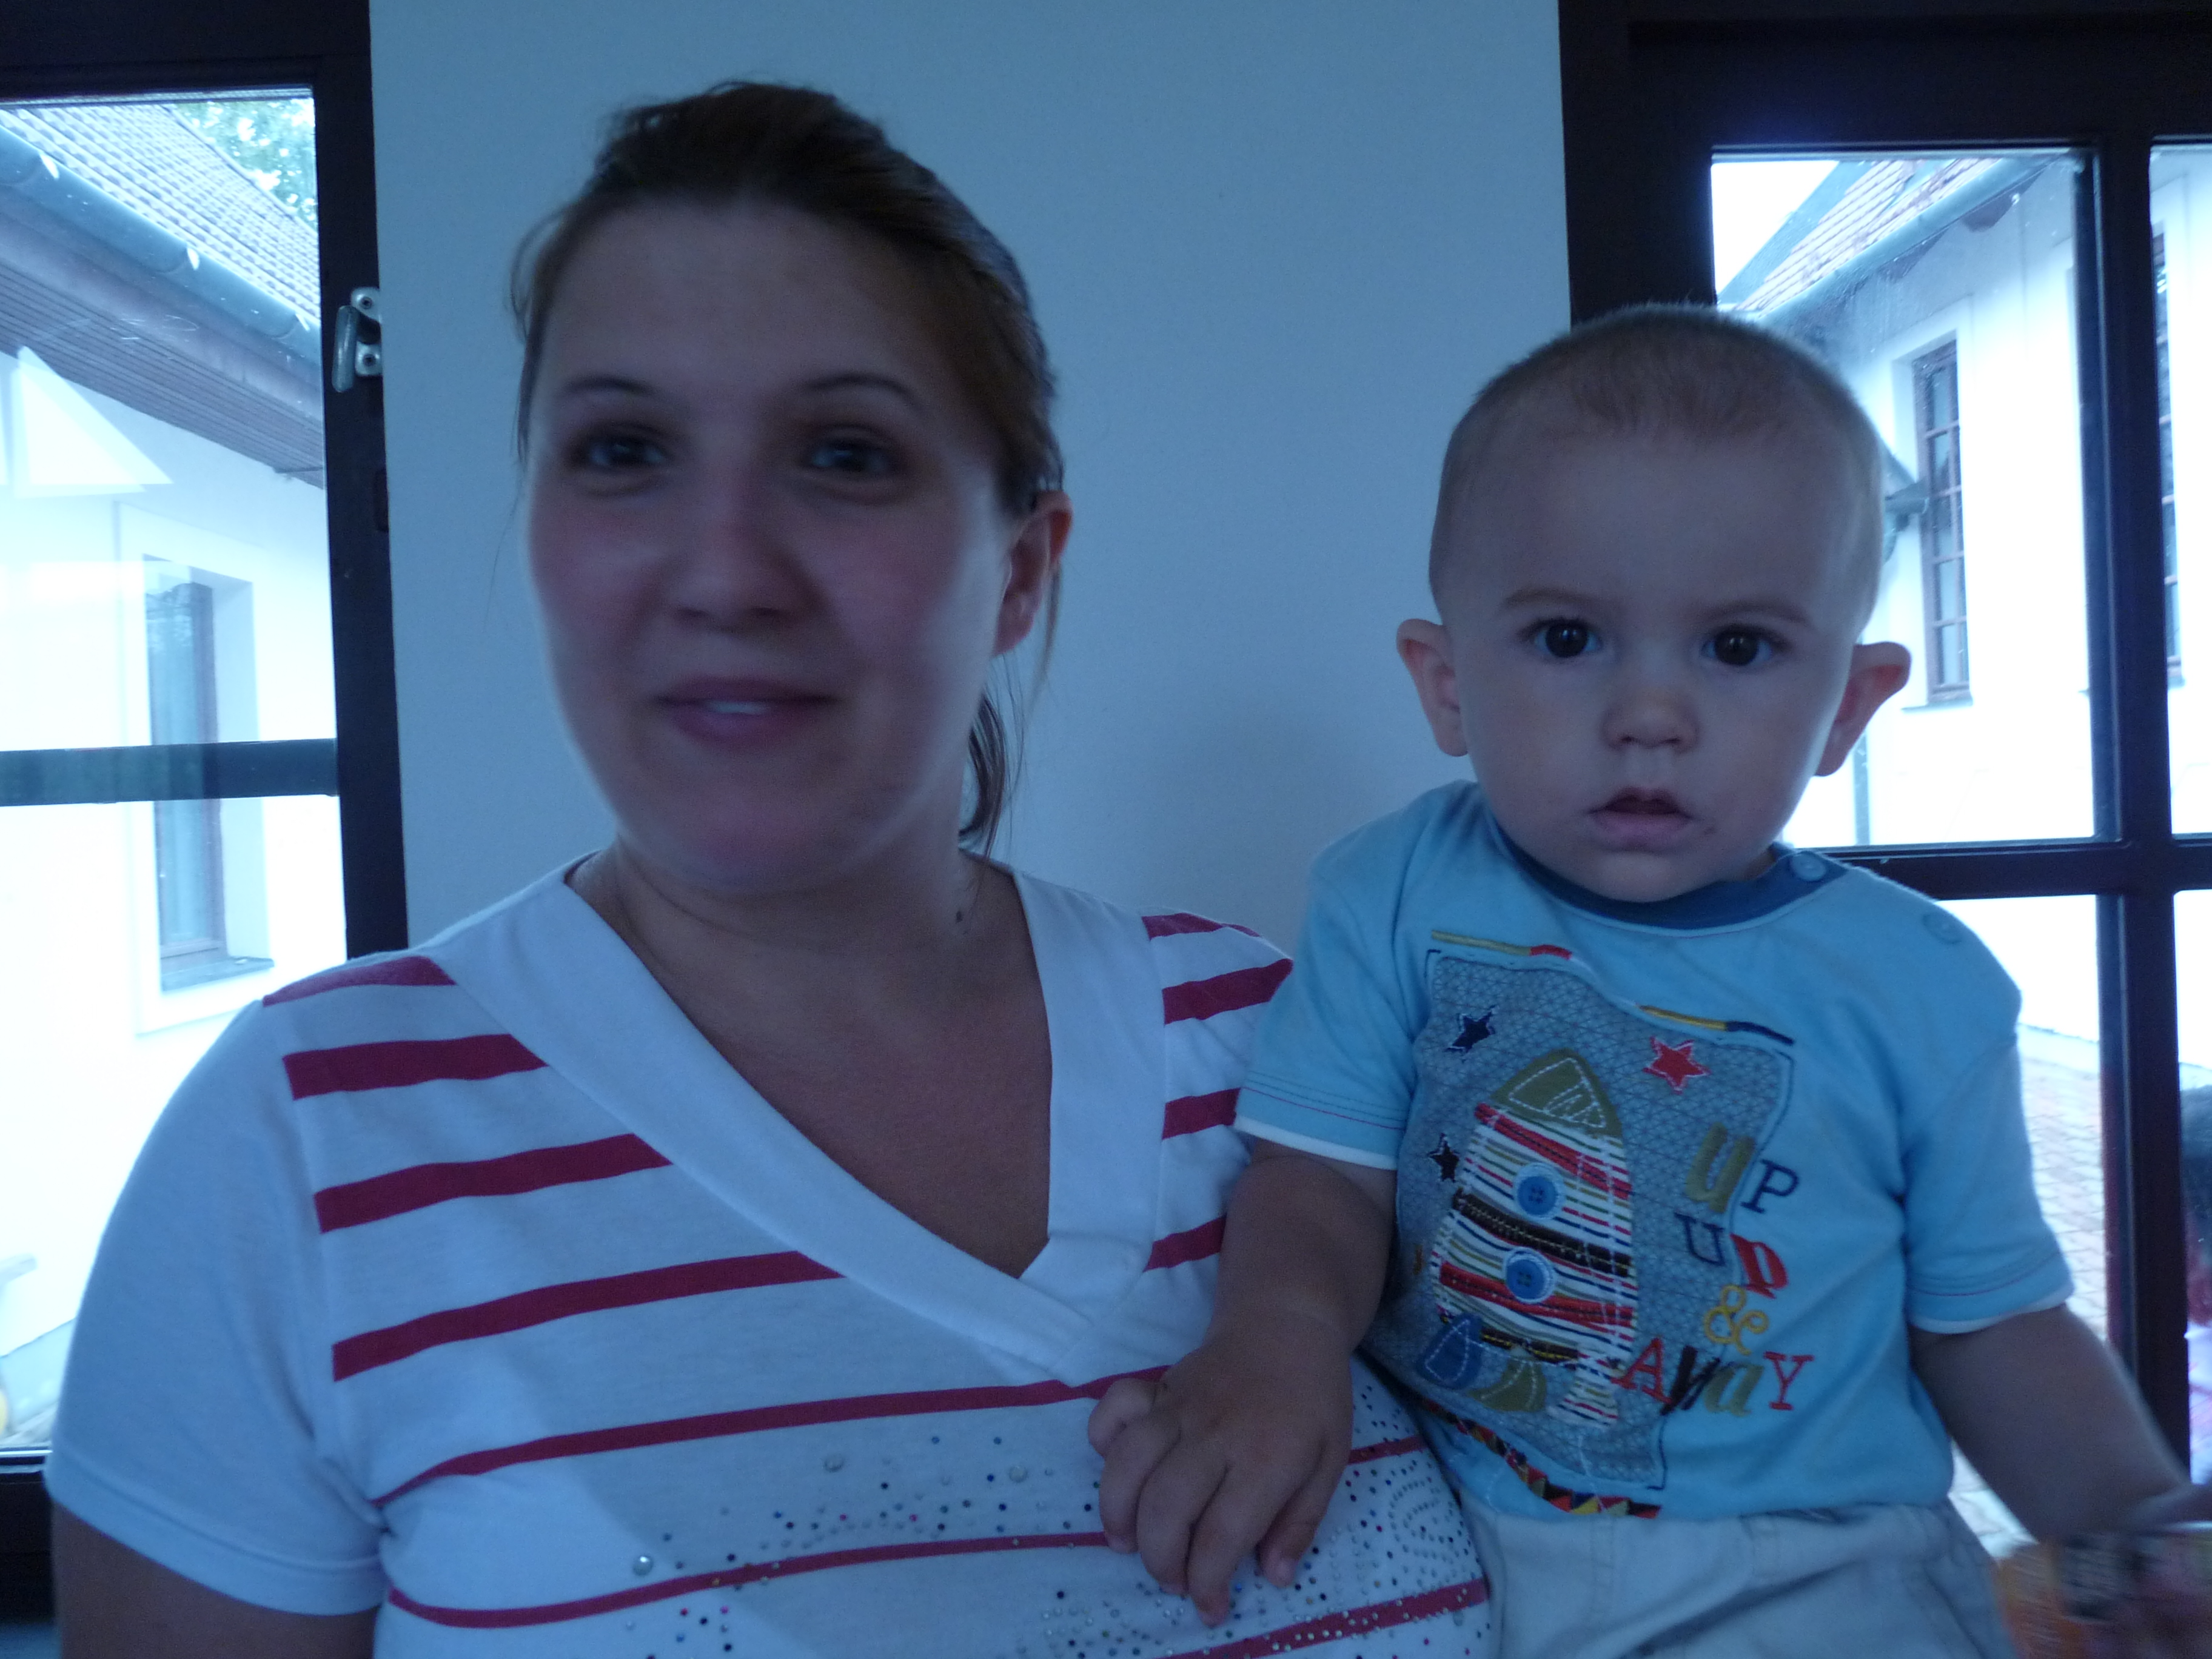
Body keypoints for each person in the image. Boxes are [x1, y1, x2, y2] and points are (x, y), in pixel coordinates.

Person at [42, 82, 1492, 1657]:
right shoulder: (299, 1148)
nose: (726, 572)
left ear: (1019, 569)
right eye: (623, 451)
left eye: (845, 455)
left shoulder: (1296, 1049)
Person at [1088, 306, 2212, 1655]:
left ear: (1847, 708)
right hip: (1447, 1530)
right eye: (1569, 639)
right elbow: (1321, 1178)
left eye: (1737, 648)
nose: (1650, 716)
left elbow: (1992, 1327)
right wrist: (1273, 1343)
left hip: (1812, 1576)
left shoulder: (1921, 986)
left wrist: (2132, 1528)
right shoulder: (1391, 892)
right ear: (1447, 684)